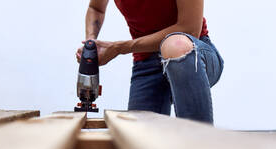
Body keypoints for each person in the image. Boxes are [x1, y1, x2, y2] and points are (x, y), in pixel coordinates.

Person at [76, 0, 224, 124]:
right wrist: (91, 42)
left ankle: (198, 147)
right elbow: (96, 8)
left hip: (192, 54)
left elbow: (189, 29)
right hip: (147, 63)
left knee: (175, 45)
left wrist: (119, 48)